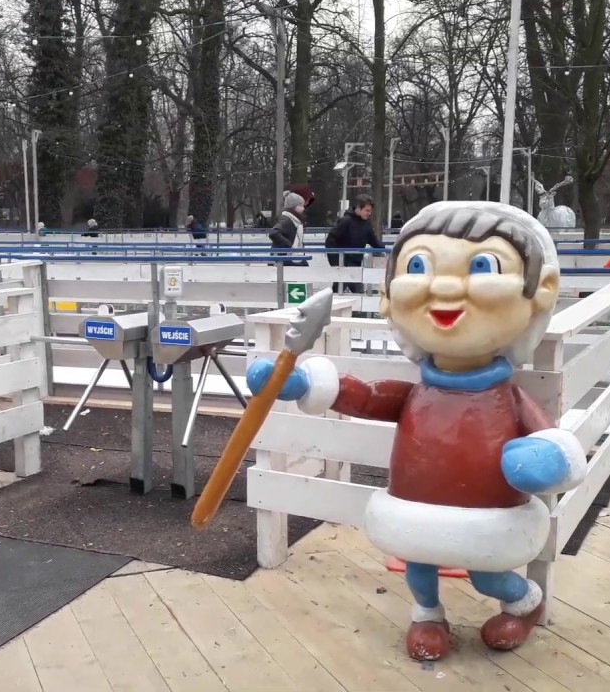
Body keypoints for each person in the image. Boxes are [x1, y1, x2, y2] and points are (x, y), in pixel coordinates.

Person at [245, 201, 585, 661]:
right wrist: (303, 382)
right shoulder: (417, 394)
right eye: (418, 266)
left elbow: (549, 440)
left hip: (493, 515)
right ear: (389, 295)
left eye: (483, 266)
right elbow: (365, 397)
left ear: (539, 290)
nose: (443, 286)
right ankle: (427, 615)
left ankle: (523, 602)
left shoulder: (505, 399)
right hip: (414, 506)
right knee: (419, 565)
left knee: (488, 574)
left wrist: (547, 457)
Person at [324, 194, 384, 293]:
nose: (369, 213)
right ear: (358, 208)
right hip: (343, 263)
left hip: (355, 263)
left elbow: (373, 240)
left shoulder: (366, 224)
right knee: (351, 290)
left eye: (370, 211)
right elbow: (330, 240)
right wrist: (335, 262)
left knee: (346, 291)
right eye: (367, 210)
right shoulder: (346, 221)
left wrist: (387, 249)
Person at [268, 191, 307, 265]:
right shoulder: (287, 220)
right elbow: (274, 233)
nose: (303, 208)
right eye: (300, 206)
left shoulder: (294, 220)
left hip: (290, 257)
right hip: (284, 258)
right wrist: (289, 245)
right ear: (292, 207)